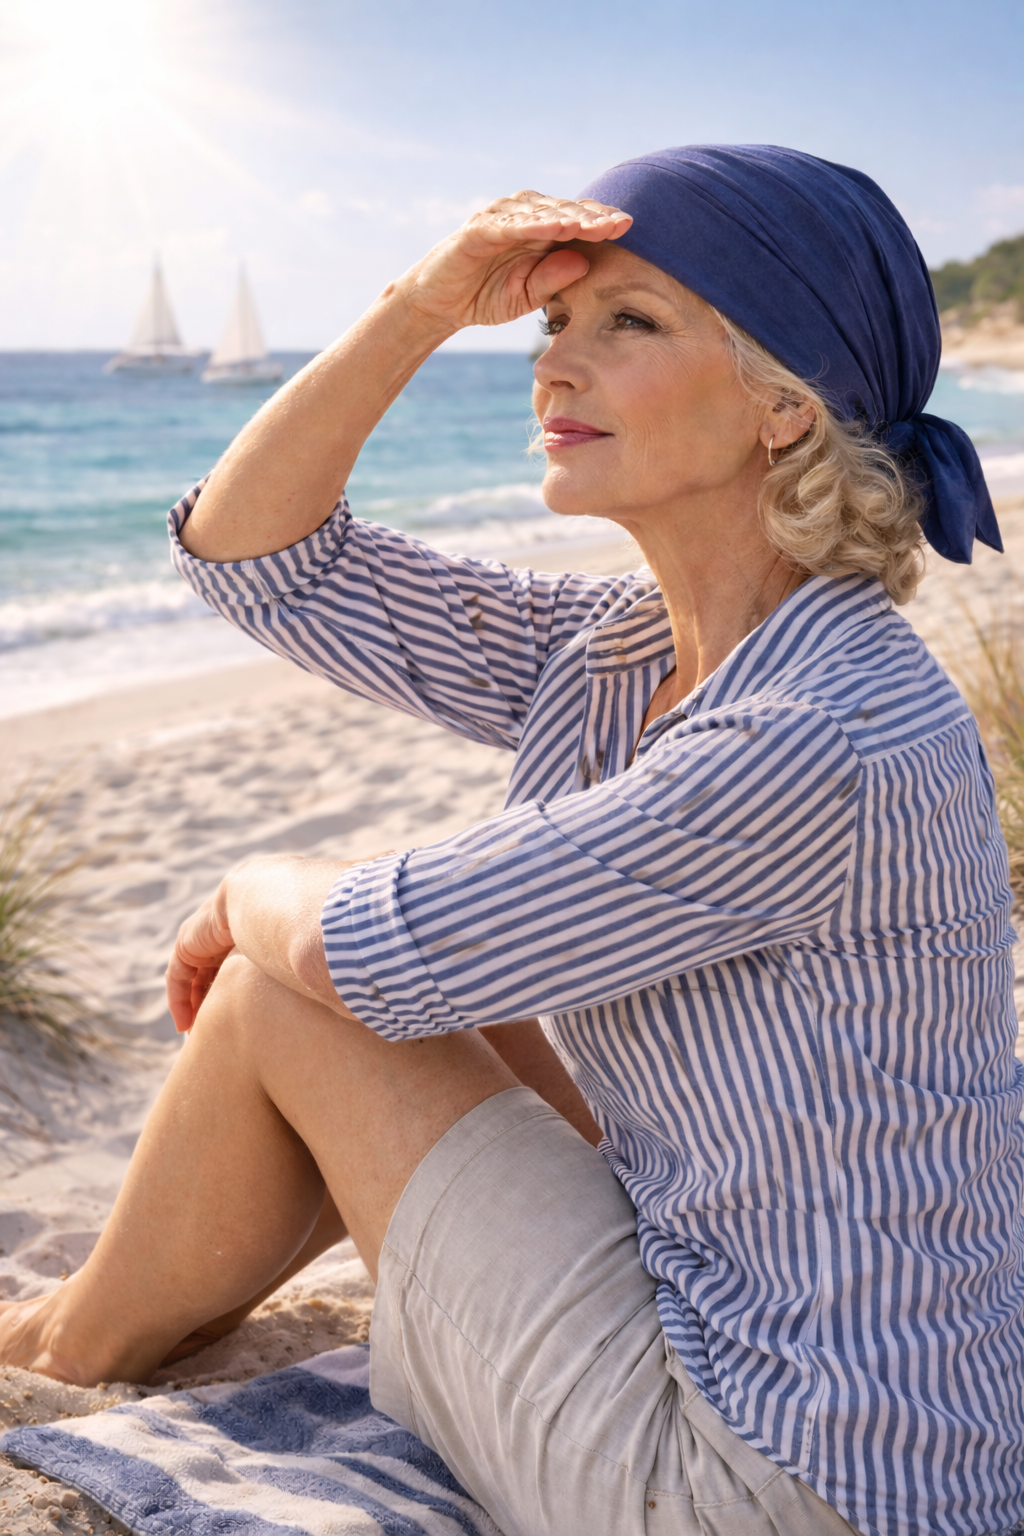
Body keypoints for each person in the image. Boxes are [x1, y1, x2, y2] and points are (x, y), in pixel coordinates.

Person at [1, 145, 1022, 1536]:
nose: (553, 366)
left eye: (628, 322)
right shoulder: (622, 652)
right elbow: (259, 560)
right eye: (552, 322)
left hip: (780, 1478)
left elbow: (372, 955)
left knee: (288, 994)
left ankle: (56, 1356)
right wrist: (420, 306)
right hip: (820, 1368)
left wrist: (246, 887)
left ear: (786, 407)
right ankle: (86, 1320)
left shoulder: (806, 734)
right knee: (383, 986)